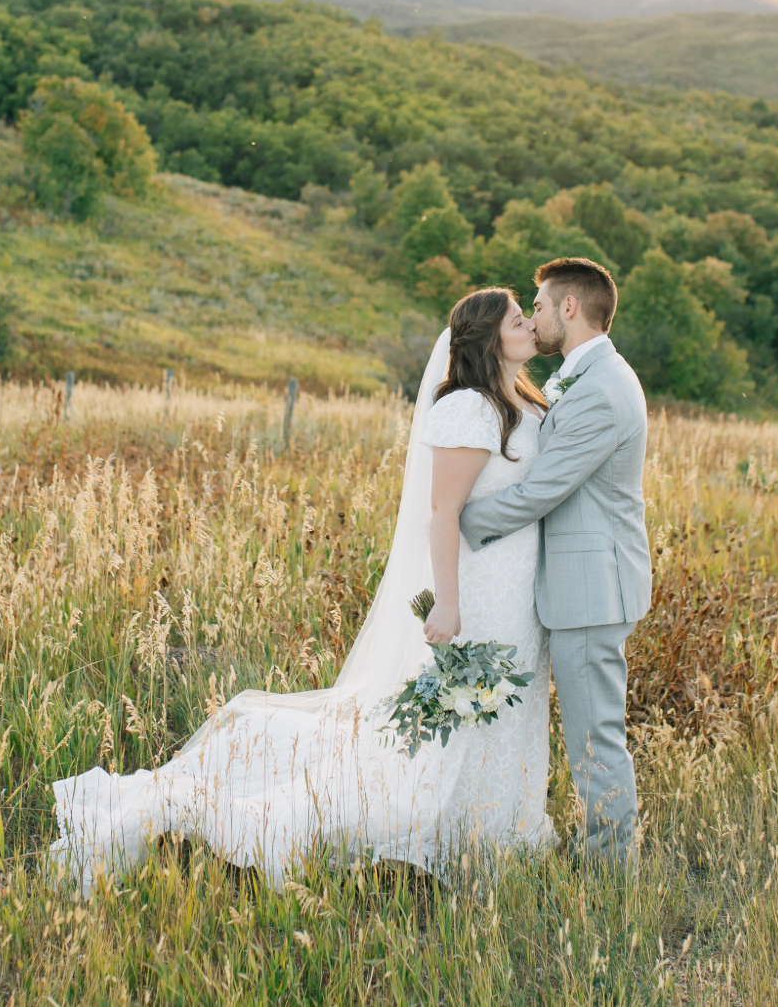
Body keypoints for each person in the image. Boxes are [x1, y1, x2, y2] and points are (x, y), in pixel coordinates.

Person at [48, 285, 562, 893]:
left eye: (528, 316)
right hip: (477, 589)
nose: (529, 323)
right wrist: (448, 603)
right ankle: (445, 823)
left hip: (518, 590)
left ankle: (500, 824)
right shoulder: (471, 408)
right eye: (515, 319)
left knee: (508, 707)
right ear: (484, 338)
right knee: (467, 711)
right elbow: (441, 513)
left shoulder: (527, 400)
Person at [459, 256, 649, 867]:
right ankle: (602, 857)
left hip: (594, 587)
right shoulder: (586, 375)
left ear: (570, 308)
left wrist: (463, 522)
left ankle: (608, 873)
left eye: (538, 306)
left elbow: (546, 489)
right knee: (591, 734)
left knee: (596, 738)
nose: (533, 317)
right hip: (582, 581)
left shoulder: (601, 388)